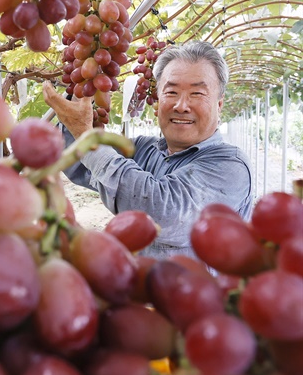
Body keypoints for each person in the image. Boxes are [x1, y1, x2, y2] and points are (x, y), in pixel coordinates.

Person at [43, 41, 253, 259]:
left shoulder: (231, 167)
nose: (181, 105)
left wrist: (85, 134)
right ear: (158, 99)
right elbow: (80, 164)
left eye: (197, 94)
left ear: (219, 105)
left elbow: (162, 214)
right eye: (171, 92)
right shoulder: (145, 148)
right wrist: (79, 92)